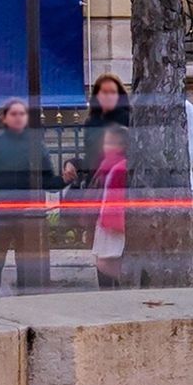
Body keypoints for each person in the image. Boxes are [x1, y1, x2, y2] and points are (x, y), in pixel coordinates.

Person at [0, 99, 62, 294]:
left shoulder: (36, 146)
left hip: (27, 217)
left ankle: (23, 305)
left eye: (22, 114)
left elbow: (48, 182)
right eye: (14, 114)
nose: (18, 118)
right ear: (4, 117)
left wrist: (65, 179)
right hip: (0, 216)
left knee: (26, 266)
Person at [79, 73, 139, 288]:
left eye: (112, 92)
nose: (108, 96)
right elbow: (89, 159)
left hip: (118, 187)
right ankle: (105, 290)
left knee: (116, 248)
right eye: (103, 92)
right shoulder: (91, 123)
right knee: (100, 246)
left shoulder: (128, 119)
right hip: (98, 187)